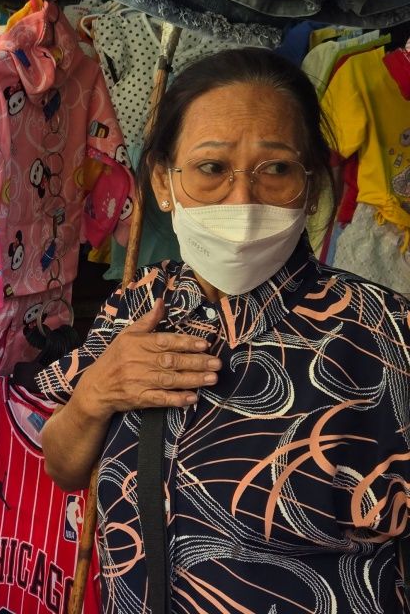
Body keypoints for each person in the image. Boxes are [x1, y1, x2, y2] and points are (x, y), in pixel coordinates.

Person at [39, 48, 410, 612]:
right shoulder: (136, 304)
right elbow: (63, 466)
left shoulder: (386, 336)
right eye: (212, 169)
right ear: (163, 182)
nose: (242, 200)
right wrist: (95, 394)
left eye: (277, 169)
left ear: (312, 186)